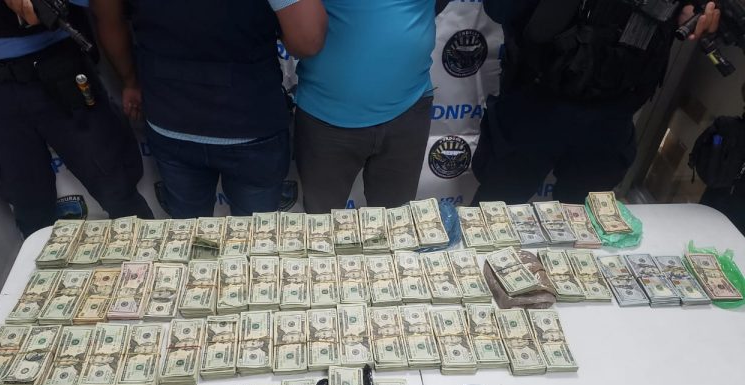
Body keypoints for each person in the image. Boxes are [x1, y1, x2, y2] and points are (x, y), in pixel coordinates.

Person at [471, 0, 721, 206]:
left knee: (586, 227)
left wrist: (687, 10)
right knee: (494, 213)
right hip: (537, 101)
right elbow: (500, 9)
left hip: (614, 112)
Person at [92, 0, 326, 219]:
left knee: (188, 233)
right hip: (247, 118)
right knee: (253, 238)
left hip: (173, 115)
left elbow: (108, 20)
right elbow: (307, 39)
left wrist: (130, 81)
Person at [0, 0, 153, 237]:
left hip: (60, 70)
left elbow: (104, 8)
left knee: (118, 190)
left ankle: (147, 253)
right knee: (29, 205)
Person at [294, 1, 447, 213]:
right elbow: (297, 22)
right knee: (321, 225)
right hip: (324, 112)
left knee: (396, 221)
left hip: (408, 106)